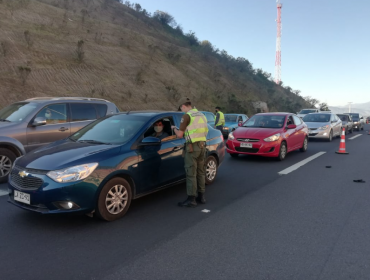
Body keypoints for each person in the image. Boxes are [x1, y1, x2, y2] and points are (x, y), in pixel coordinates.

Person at [171, 98, 209, 207]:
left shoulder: (187, 116)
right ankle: (201, 197)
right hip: (202, 146)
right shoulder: (201, 115)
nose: (182, 111)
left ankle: (191, 199)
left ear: (183, 106)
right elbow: (205, 130)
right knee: (201, 172)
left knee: (191, 173)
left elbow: (179, 135)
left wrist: (174, 128)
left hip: (192, 148)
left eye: (181, 109)